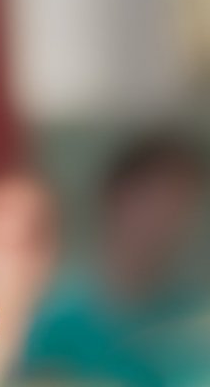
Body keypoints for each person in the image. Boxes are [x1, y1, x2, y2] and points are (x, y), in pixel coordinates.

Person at [17, 135, 210, 387]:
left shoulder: (195, 323)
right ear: (115, 199)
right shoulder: (59, 318)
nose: (163, 221)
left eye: (179, 205)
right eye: (151, 199)